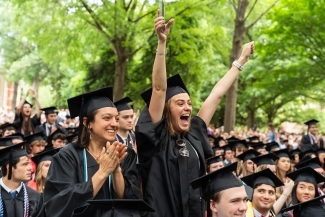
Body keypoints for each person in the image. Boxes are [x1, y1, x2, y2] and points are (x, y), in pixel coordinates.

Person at [135, 11, 254, 217]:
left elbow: (216, 96)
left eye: (189, 103)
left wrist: (240, 61)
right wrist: (161, 44)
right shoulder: (155, 136)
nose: (188, 108)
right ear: (166, 109)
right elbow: (159, 89)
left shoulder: (194, 134)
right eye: (180, 103)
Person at [44, 87, 141, 217]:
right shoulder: (67, 157)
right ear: (87, 122)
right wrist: (103, 172)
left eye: (117, 119)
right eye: (107, 118)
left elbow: (129, 200)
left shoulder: (124, 154)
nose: (114, 124)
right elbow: (60, 204)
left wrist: (116, 169)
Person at [0, 142, 45, 217]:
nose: (30, 168)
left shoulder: (36, 197)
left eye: (29, 164)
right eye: (25, 164)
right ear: (9, 167)